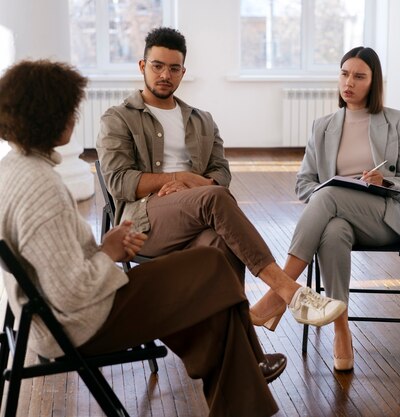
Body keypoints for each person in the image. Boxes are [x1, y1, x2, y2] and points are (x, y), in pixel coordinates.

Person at [0, 60, 288, 417]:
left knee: (211, 274)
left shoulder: (14, 167)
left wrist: (108, 246)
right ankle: (266, 330)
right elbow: (71, 291)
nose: (74, 119)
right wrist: (109, 249)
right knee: (211, 267)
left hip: (61, 314)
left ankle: (241, 386)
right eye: (70, 110)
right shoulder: (40, 187)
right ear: (49, 115)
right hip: (79, 323)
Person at [96, 27, 346, 327]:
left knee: (222, 242)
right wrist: (180, 178)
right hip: (143, 225)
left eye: (174, 68)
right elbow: (119, 183)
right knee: (214, 200)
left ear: (183, 71)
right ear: (142, 66)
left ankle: (241, 349)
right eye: (157, 66)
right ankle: (288, 291)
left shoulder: (201, 120)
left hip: (196, 217)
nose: (165, 75)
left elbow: (221, 173)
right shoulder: (118, 118)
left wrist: (193, 186)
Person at [250, 46, 400, 372]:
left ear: (374, 81)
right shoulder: (323, 126)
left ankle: (279, 292)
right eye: (344, 74)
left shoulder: (396, 121)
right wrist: (338, 190)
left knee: (327, 198)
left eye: (359, 76)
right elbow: (303, 185)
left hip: (385, 218)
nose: (349, 82)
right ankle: (342, 329)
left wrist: (383, 181)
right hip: (340, 218)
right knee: (332, 228)